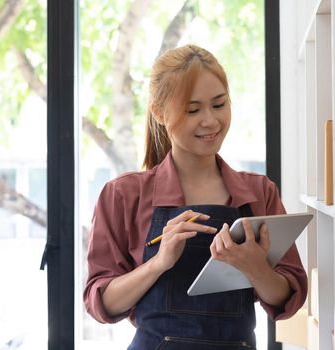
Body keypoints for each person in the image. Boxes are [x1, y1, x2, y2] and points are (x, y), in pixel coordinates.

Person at [84, 44, 307, 349]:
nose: (211, 121)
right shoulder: (123, 195)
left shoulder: (259, 193)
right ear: (160, 113)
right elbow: (101, 304)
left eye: (219, 104)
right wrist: (158, 263)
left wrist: (256, 269)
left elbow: (289, 299)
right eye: (193, 110)